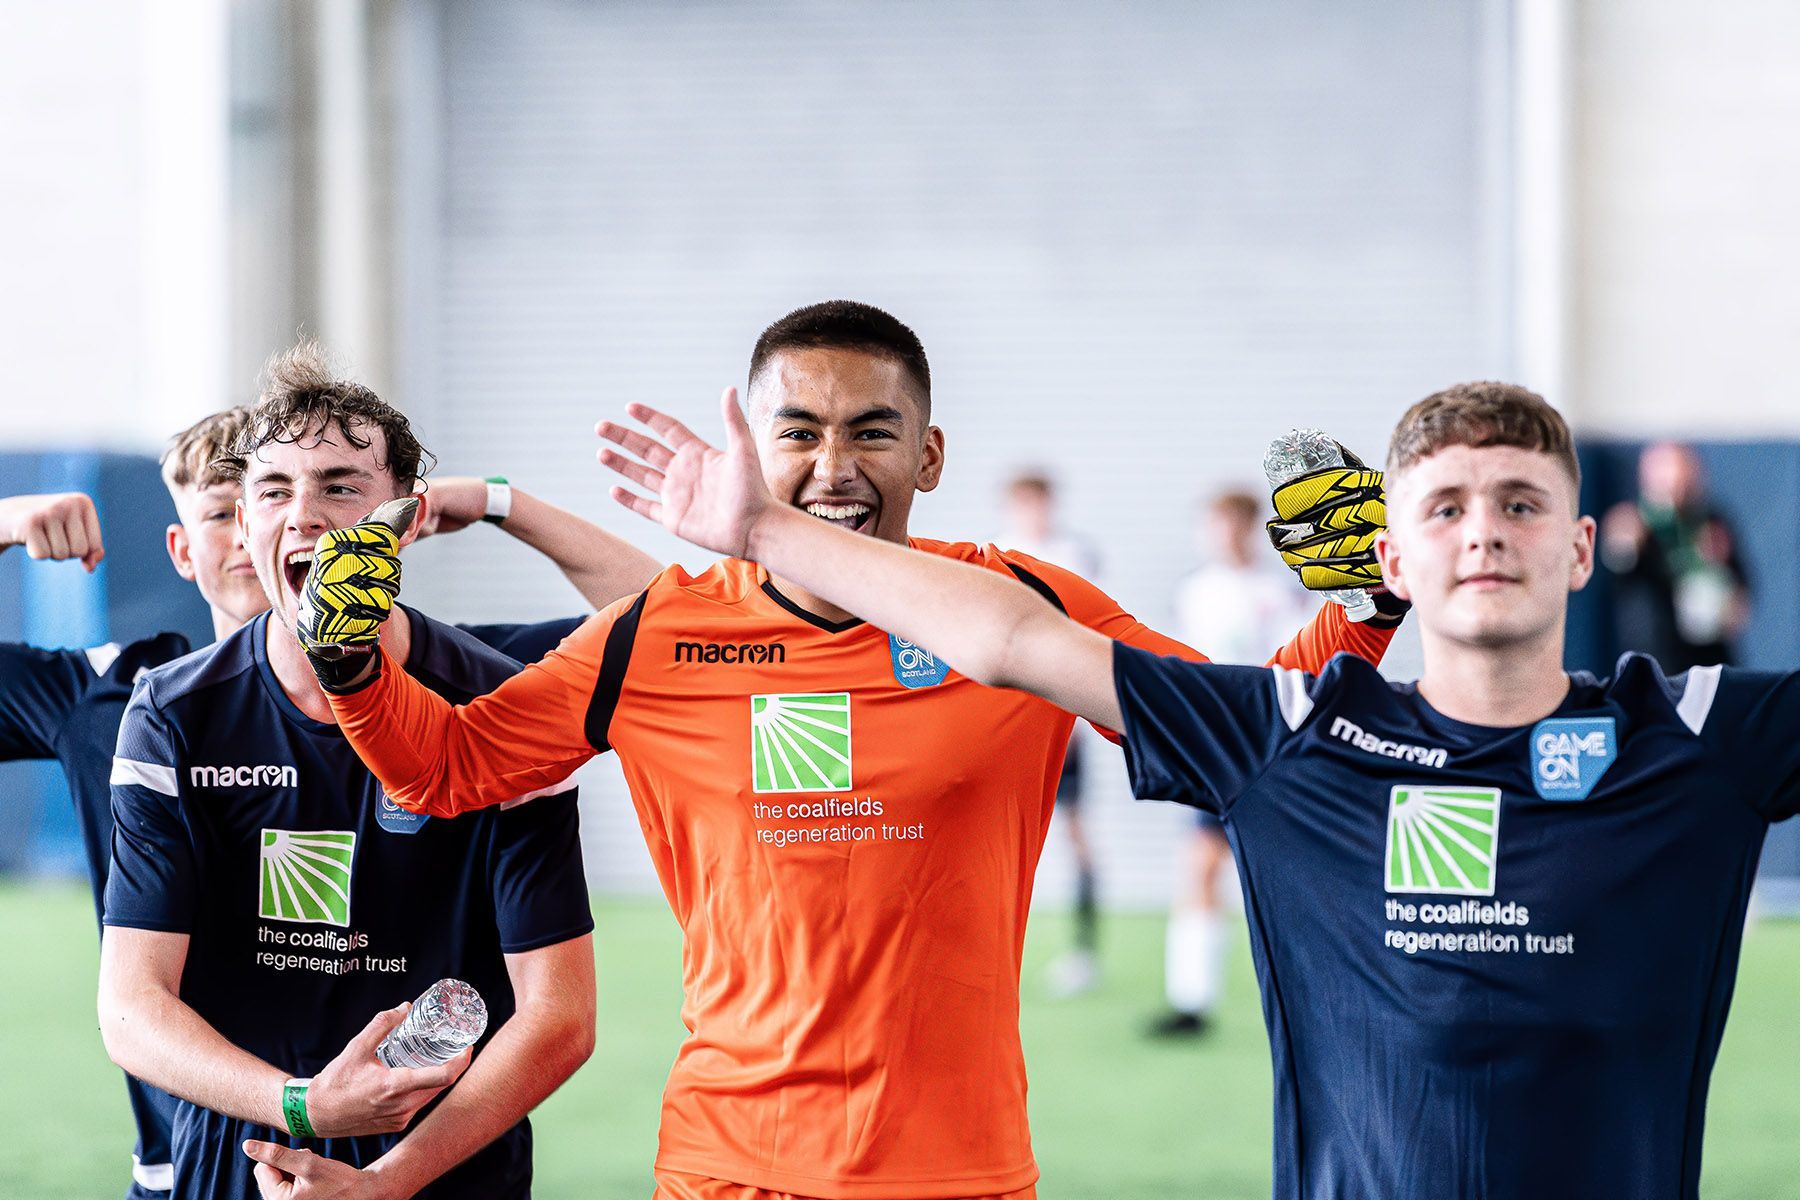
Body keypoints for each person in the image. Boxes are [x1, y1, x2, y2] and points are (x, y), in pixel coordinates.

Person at [301, 300, 1400, 1200]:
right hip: (729, 1166)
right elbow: (446, 767)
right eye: (798, 431)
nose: (835, 464)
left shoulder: (1019, 607)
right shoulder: (658, 630)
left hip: (957, 1173)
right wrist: (350, 662)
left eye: (872, 431)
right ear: (753, 451)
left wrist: (1369, 599)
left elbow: (1232, 728)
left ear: (927, 455)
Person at [605, 378, 1800, 1199]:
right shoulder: (1297, 738)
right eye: (1445, 506)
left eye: (1521, 504)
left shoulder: (1697, 736)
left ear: (1581, 549)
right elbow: (1017, 639)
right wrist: (765, 530)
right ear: (1389, 558)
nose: (1483, 532)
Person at [0, 404, 652, 1199]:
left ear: (403, 520)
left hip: (446, 1166)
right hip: (217, 1152)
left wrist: (497, 501)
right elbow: (130, 1009)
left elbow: (666, 630)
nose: (301, 515)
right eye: (265, 493)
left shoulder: (498, 692)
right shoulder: (145, 700)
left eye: (339, 486)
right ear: (228, 528)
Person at [1150, 489, 1318, 1037]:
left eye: (1231, 525)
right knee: (1200, 864)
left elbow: (1297, 669)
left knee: (1286, 874)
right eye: (1213, 524)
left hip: (1268, 746)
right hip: (1210, 744)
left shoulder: (1280, 592)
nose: (1222, 535)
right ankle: (1191, 1002)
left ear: (1250, 529)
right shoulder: (1194, 592)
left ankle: (1313, 993)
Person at [999, 470, 1105, 997]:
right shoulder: (997, 557)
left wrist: (1082, 710)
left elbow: (1084, 632)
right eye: (1023, 503)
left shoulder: (1072, 556)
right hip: (1011, 717)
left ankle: (1085, 952)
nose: (1032, 512)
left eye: (1038, 502)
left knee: (1075, 836)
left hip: (1063, 714)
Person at [1600, 440, 1751, 672]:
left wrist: (1722, 571)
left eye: (1682, 480)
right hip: (1656, 660)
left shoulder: (1712, 522)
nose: (1675, 489)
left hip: (1711, 657)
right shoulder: (1635, 523)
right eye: (1667, 480)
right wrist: (1625, 542)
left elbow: (1742, 591)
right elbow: (1617, 564)